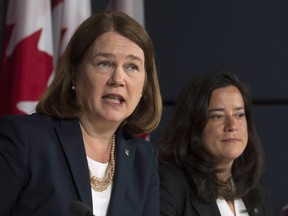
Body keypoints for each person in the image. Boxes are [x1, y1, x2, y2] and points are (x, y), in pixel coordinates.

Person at [0, 11, 162, 216]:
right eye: (104, 63)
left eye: (132, 67)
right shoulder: (25, 140)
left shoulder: (144, 159)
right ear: (75, 75)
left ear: (144, 86)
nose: (118, 78)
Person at [158, 71, 273, 216]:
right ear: (193, 125)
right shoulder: (170, 184)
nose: (232, 125)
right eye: (217, 116)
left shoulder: (257, 194)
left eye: (239, 115)